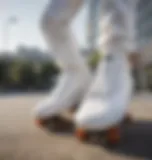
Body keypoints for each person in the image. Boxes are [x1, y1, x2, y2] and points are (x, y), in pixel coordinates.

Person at [33, 0, 138, 142]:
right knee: (51, 20)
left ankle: (116, 60)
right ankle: (76, 73)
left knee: (115, 5)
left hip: (115, 52)